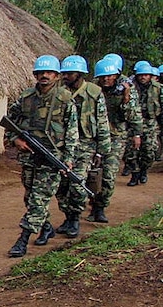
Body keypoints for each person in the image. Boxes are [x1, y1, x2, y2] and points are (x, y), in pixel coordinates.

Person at [4, 55, 78, 258]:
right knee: (30, 197)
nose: (44, 76)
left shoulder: (64, 99)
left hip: (53, 157)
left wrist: (68, 158)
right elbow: (10, 121)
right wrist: (15, 140)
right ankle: (45, 227)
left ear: (56, 75)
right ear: (36, 75)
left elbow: (72, 132)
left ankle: (23, 240)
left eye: (49, 73)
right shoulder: (26, 98)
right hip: (29, 157)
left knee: (38, 199)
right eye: (41, 73)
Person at [53, 55, 110, 237]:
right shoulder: (60, 93)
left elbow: (102, 122)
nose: (67, 76)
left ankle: (75, 218)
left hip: (86, 145)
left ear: (80, 74)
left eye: (70, 73)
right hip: (63, 146)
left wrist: (101, 151)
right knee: (61, 186)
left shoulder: (94, 93)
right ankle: (68, 216)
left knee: (78, 184)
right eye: (65, 73)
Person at [89, 56, 141, 223]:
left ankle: (101, 207)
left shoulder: (127, 88)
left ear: (116, 75)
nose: (106, 79)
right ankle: (92, 204)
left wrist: (126, 98)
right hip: (94, 136)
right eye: (103, 76)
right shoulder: (93, 89)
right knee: (91, 174)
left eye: (110, 76)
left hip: (115, 136)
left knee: (109, 174)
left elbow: (131, 115)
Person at [124, 61, 160, 185]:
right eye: (140, 75)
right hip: (132, 124)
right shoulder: (130, 87)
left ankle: (144, 171)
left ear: (150, 75)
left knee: (149, 151)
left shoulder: (157, 88)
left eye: (146, 75)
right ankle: (134, 175)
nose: (143, 77)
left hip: (150, 123)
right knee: (131, 152)